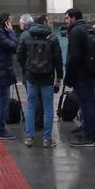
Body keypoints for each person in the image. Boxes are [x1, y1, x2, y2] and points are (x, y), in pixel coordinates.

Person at [17, 14, 63, 148]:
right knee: (48, 108)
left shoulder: (25, 35)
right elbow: (58, 60)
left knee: (31, 106)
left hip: (31, 76)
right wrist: (59, 78)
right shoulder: (52, 37)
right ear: (44, 23)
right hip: (47, 77)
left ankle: (29, 137)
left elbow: (19, 54)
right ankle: (47, 139)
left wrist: (26, 69)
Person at [64, 8, 95, 147]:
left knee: (86, 104)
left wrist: (69, 76)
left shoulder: (75, 31)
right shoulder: (88, 28)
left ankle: (89, 136)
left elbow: (74, 56)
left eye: (67, 18)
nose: (66, 21)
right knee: (91, 102)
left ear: (73, 18)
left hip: (81, 73)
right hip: (91, 71)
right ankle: (93, 131)